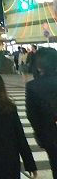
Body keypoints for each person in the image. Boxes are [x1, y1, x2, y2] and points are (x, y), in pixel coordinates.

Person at [26, 47, 57, 178]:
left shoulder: (33, 86)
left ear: (39, 66)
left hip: (50, 135)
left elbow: (32, 115)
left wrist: (40, 134)